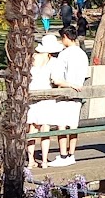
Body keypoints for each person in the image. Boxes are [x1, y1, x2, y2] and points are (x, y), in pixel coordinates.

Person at [47, 27, 91, 167]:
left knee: (61, 124)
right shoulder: (82, 54)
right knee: (73, 124)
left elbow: (56, 78)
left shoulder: (64, 54)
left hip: (66, 91)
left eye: (62, 38)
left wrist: (68, 84)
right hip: (78, 92)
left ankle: (63, 155)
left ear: (66, 37)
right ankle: (71, 154)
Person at [27, 32, 65, 172]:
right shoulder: (53, 61)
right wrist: (71, 85)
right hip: (47, 95)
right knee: (45, 129)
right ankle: (43, 160)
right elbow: (56, 80)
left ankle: (31, 160)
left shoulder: (32, 59)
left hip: (32, 95)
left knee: (32, 128)